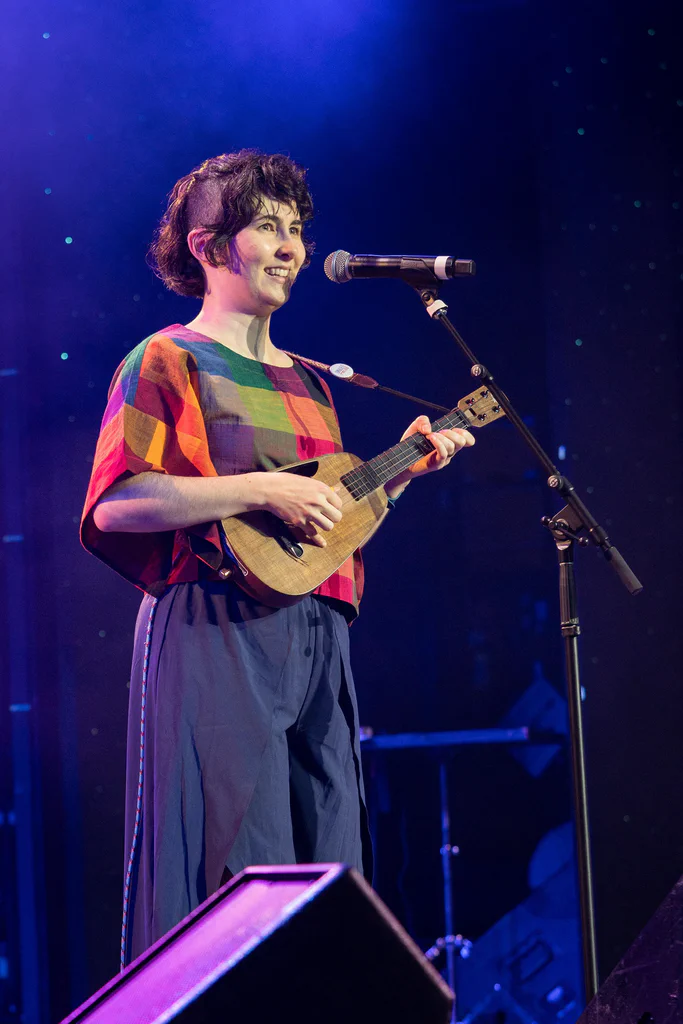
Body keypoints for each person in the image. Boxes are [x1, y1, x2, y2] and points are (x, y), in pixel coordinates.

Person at [80, 149, 475, 968]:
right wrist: (260, 487)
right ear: (205, 245)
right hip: (216, 629)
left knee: (326, 855)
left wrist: (398, 473)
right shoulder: (170, 359)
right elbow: (119, 501)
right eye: (266, 227)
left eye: (296, 229)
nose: (290, 246)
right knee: (234, 862)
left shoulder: (312, 382)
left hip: (318, 635)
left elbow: (318, 527)